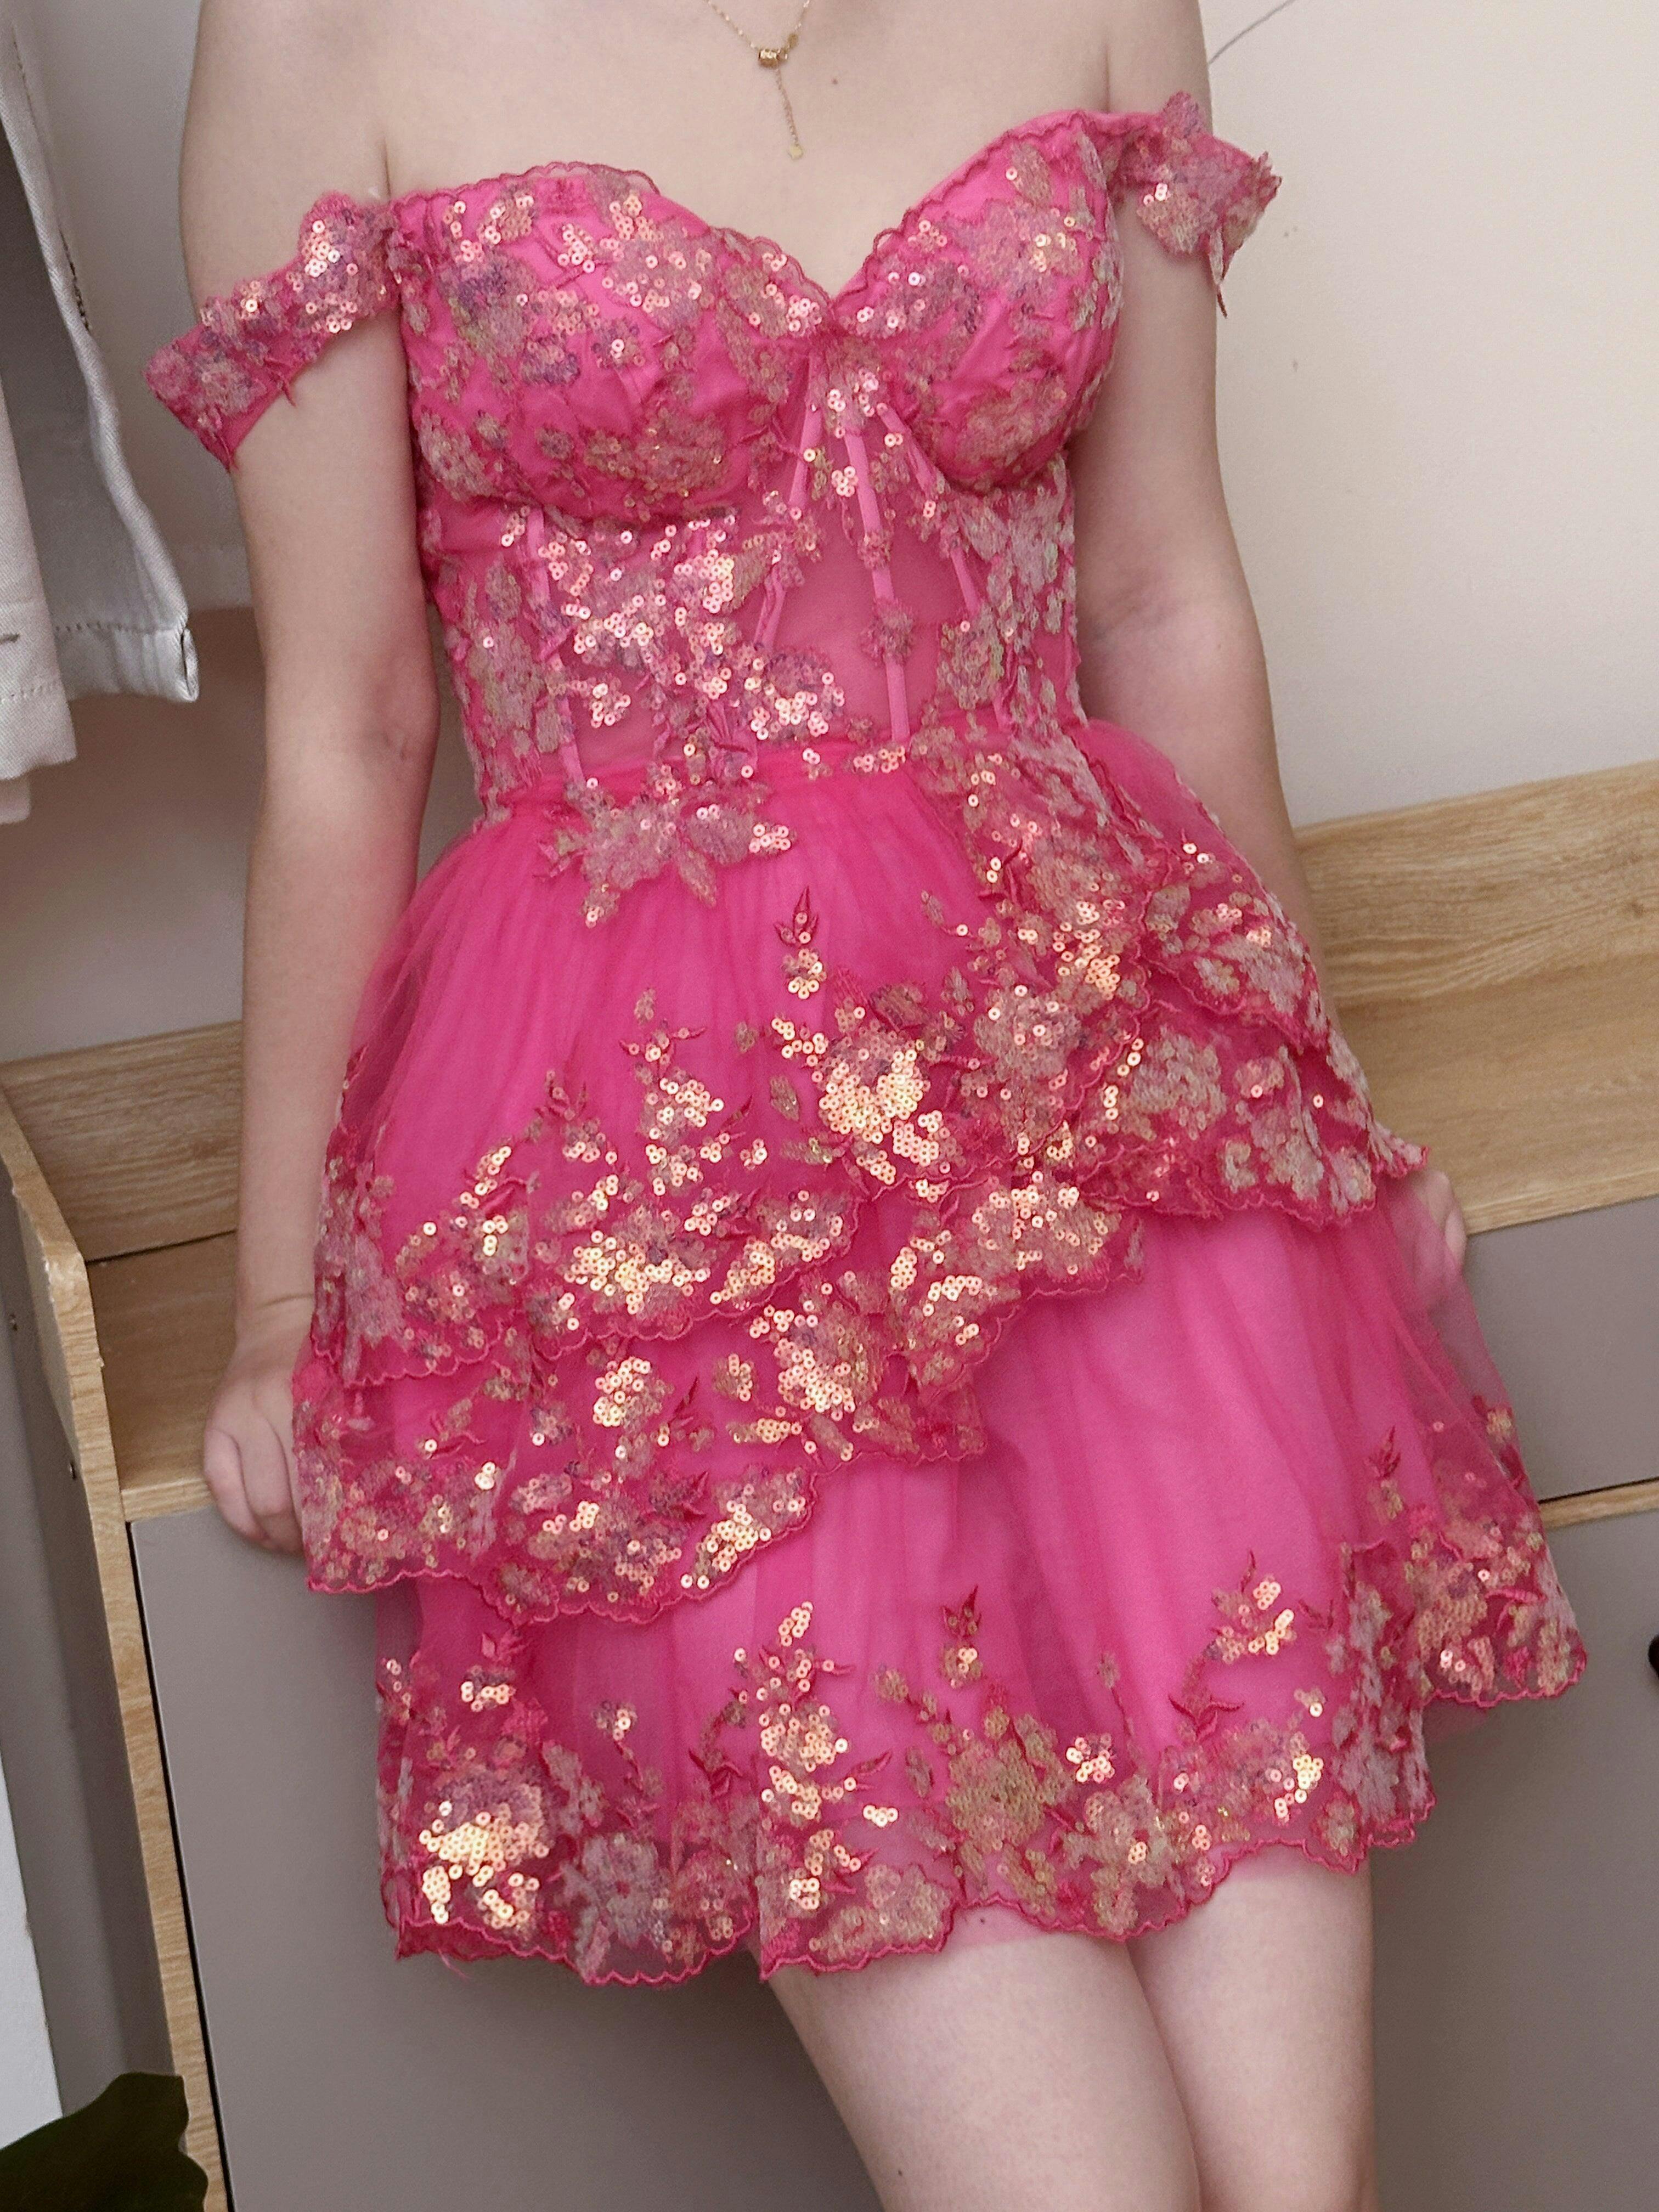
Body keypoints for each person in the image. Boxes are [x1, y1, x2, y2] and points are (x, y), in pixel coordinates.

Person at [146, 3, 1584, 2207]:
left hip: (1117, 1093)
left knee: (1303, 2179)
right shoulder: (319, 36)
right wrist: (276, 1306)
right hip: (671, 1189)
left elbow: (1163, 600)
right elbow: (351, 720)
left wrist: (1314, 1111)